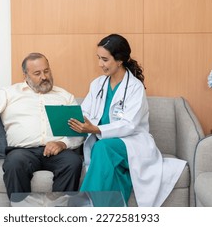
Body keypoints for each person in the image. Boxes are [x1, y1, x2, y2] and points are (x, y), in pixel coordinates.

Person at [68, 34, 186, 207]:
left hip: (132, 143)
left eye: (105, 59)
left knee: (102, 147)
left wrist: (95, 130)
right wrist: (77, 120)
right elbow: (85, 111)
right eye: (98, 58)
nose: (100, 64)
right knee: (113, 169)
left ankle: (82, 207)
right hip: (108, 146)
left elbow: (129, 125)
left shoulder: (135, 87)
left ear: (119, 60)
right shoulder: (98, 84)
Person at [0, 52, 84, 199]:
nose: (44, 77)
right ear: (25, 75)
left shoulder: (65, 96)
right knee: (14, 163)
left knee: (73, 162)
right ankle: (22, 215)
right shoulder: (9, 93)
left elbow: (79, 130)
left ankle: (57, 214)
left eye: (46, 71)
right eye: (37, 73)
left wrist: (62, 143)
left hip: (57, 150)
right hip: (22, 152)